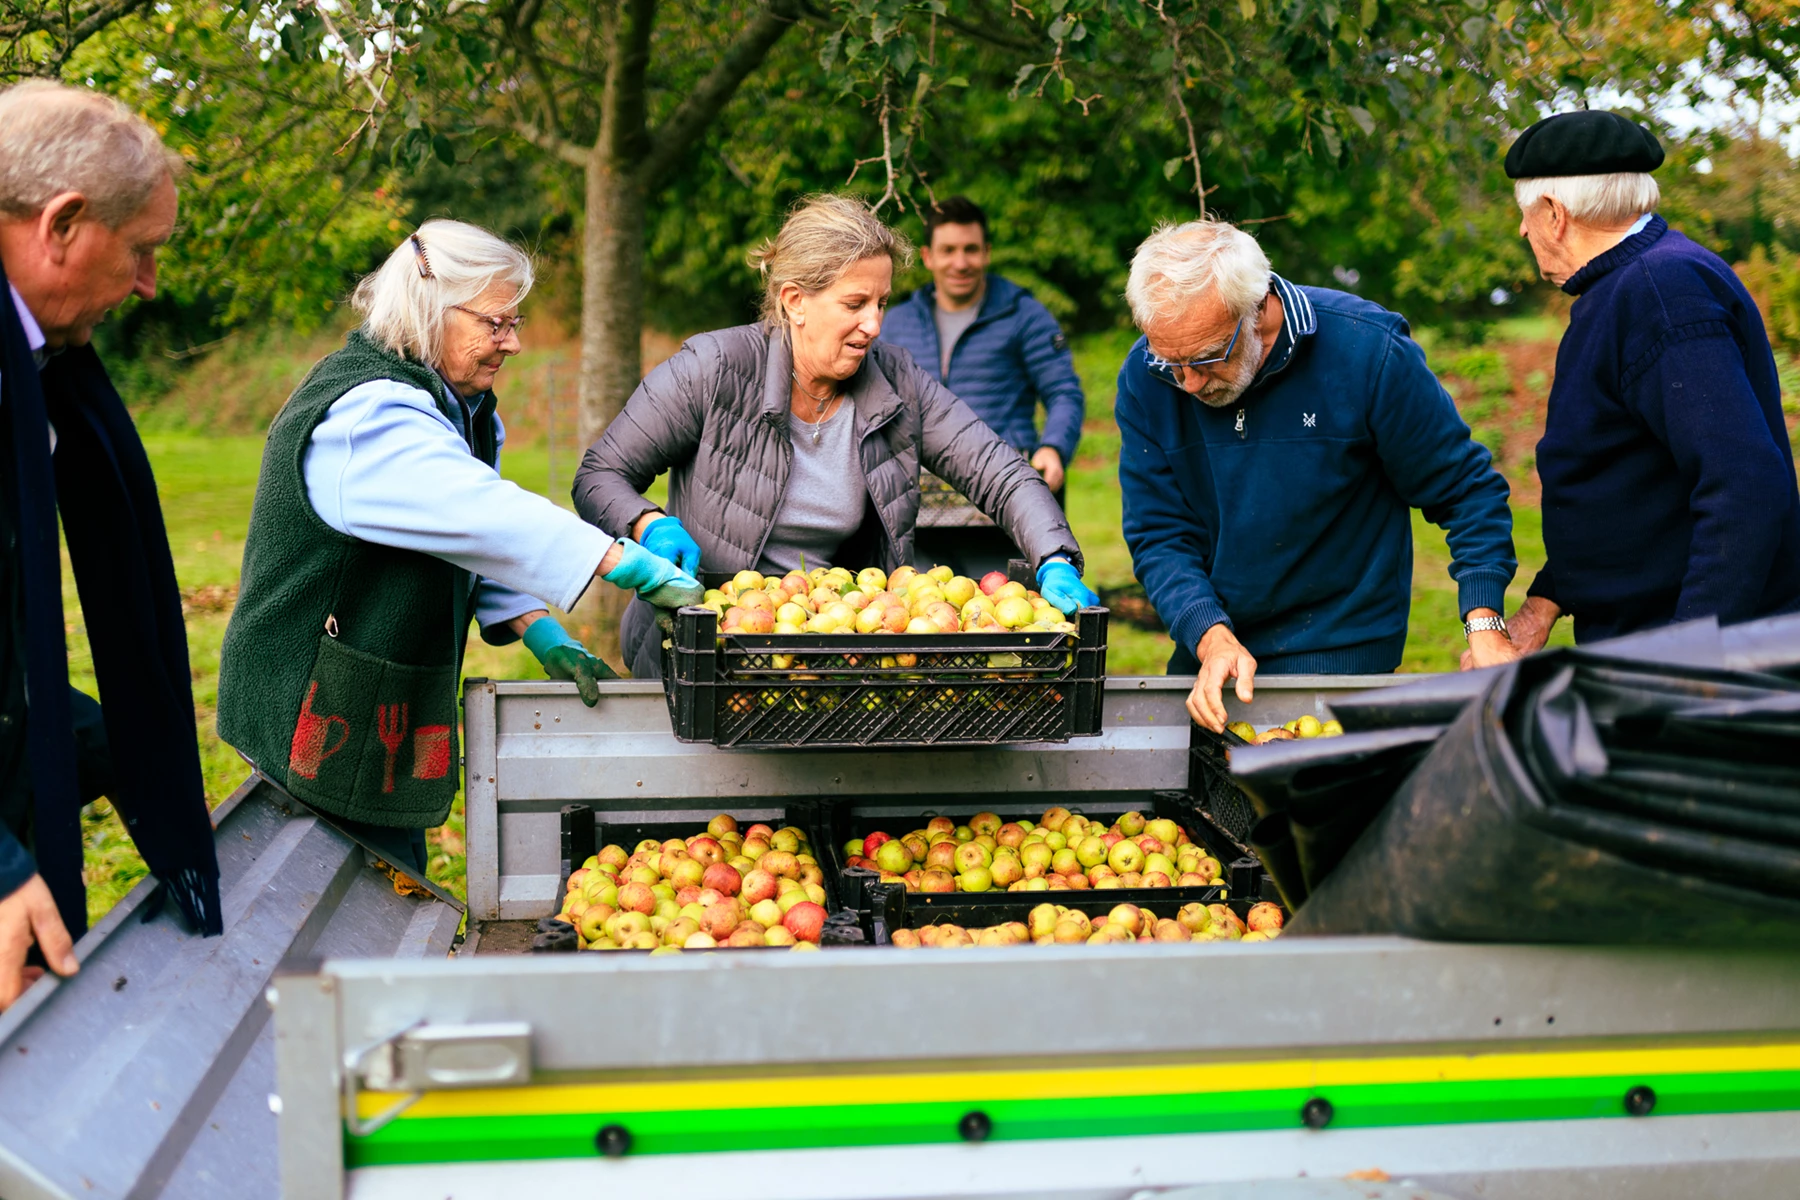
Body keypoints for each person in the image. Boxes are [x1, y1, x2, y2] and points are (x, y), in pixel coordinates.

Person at [218, 220, 701, 875]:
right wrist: (623, 563)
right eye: (495, 324)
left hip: (365, 701)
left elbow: (458, 539)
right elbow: (477, 514)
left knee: (383, 878)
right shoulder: (371, 413)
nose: (515, 343)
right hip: (309, 700)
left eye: (515, 321)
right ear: (429, 309)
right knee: (325, 895)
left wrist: (536, 628)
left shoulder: (456, 406)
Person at [572, 193, 1098, 679]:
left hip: (825, 650)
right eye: (855, 304)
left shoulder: (896, 380)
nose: (873, 325)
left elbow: (999, 472)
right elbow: (600, 475)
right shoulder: (713, 369)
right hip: (700, 651)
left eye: (882, 303)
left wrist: (1053, 556)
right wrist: (648, 523)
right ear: (795, 302)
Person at [0, 81, 223, 1010]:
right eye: (141, 251)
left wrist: (115, 744)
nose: (148, 286)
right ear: (62, 223)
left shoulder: (37, 369)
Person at [1116, 221, 1518, 733]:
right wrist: (1207, 633)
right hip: (1213, 653)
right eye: (1171, 362)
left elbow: (1467, 491)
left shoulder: (1366, 351)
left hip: (1341, 652)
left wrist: (1484, 622)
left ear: (1258, 307)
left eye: (1207, 356)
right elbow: (1159, 534)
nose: (1189, 382)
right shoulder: (1146, 375)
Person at [1493, 110, 1799, 657]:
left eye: (1525, 215)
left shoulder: (1661, 293)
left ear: (1555, 214)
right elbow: (1626, 488)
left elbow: (1746, 487)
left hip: (1701, 671)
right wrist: (1543, 605)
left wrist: (1682, 661)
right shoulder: (1628, 288)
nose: (1522, 230)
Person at [881, 196, 1085, 496]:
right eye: (948, 251)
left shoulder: (1025, 315)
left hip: (1007, 489)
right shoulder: (895, 323)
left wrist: (1053, 448)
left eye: (971, 250)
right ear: (928, 256)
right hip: (917, 497)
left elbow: (1064, 392)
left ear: (987, 253)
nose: (960, 263)